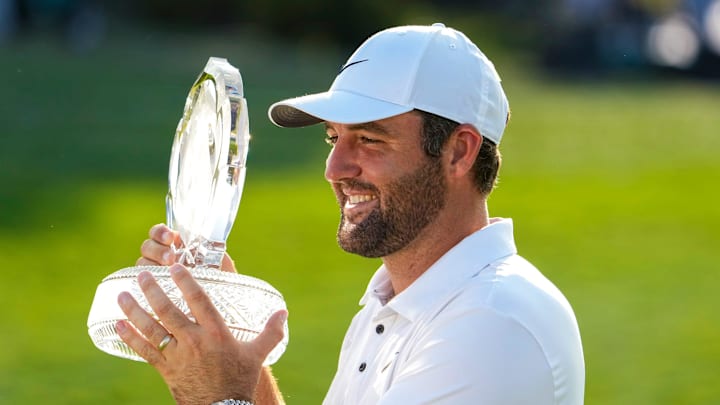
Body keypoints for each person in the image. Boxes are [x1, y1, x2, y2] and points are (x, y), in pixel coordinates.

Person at [116, 23, 585, 404]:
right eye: (333, 138)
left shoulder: (493, 327)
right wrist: (240, 365)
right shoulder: (398, 303)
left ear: (458, 152)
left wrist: (218, 397)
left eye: (370, 139)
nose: (334, 169)